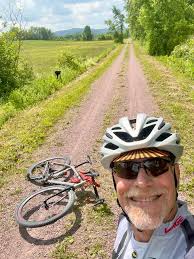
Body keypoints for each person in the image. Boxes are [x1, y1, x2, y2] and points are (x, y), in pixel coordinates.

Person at [100, 113, 194, 259]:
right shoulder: (125, 222)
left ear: (176, 173)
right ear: (114, 179)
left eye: (156, 164)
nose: (142, 183)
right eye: (126, 168)